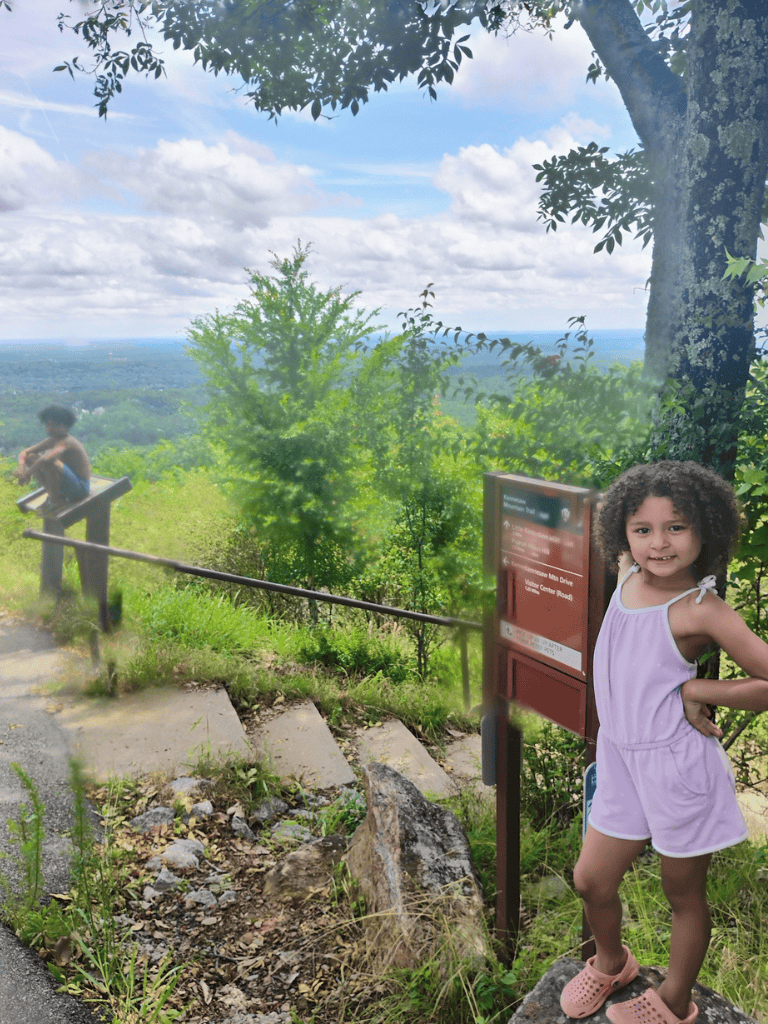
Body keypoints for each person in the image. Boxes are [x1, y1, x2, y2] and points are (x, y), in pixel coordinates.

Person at [560, 460, 768, 1024]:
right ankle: (611, 963)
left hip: (677, 768)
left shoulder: (702, 610)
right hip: (622, 759)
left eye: (676, 526)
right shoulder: (626, 573)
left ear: (706, 530)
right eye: (642, 528)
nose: (658, 543)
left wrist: (699, 685)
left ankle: (676, 1002)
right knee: (591, 879)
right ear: (623, 534)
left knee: (682, 895)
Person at [14, 404, 91, 513]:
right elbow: (25, 452)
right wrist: (21, 468)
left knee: (50, 462)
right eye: (48, 425)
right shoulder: (52, 440)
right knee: (31, 458)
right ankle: (53, 496)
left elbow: (47, 459)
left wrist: (27, 474)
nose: (50, 429)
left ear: (65, 426)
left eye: (54, 425)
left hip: (80, 488)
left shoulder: (67, 441)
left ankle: (56, 501)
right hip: (66, 484)